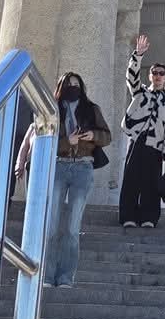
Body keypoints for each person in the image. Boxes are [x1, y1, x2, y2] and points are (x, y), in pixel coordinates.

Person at [34, 70, 112, 286]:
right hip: (58, 165)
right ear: (61, 87)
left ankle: (66, 277)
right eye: (69, 84)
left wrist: (93, 135)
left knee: (72, 226)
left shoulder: (91, 108)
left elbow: (107, 136)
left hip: (83, 167)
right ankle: (47, 275)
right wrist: (67, 141)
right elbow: (42, 138)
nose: (73, 88)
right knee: (52, 224)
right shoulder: (51, 109)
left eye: (77, 84)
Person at [120, 35, 165, 229]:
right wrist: (138, 55)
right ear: (150, 75)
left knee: (151, 183)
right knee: (131, 180)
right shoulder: (141, 92)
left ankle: (149, 217)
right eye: (154, 73)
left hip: (156, 145)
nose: (158, 76)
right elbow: (131, 77)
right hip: (137, 140)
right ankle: (128, 216)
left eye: (161, 73)